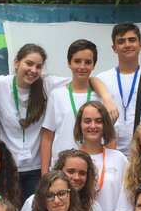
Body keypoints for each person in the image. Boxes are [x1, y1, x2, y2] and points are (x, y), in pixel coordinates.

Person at [0, 43, 117, 205]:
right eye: (29, 63)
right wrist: (45, 173)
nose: (33, 70)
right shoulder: (1, 84)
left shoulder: (47, 84)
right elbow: (47, 135)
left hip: (78, 169)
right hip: (17, 167)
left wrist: (106, 97)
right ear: (16, 62)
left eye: (38, 66)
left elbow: (88, 78)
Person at [40, 38, 108, 169]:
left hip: (93, 166)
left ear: (94, 65)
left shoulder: (101, 97)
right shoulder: (57, 95)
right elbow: (47, 137)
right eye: (77, 61)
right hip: (61, 167)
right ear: (69, 63)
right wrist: (44, 172)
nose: (82, 67)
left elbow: (109, 135)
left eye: (88, 62)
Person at [99, 22, 141, 155]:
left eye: (132, 40)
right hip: (110, 152)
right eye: (121, 41)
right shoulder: (102, 79)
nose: (127, 45)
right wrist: (106, 97)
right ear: (114, 48)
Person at [17, 148, 108, 211]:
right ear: (58, 171)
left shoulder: (92, 206)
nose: (77, 177)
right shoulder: (33, 202)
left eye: (82, 173)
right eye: (71, 171)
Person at [76, 101, 125, 211]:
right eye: (87, 121)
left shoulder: (118, 159)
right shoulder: (71, 160)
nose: (93, 126)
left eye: (98, 121)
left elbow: (127, 201)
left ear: (105, 125)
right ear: (80, 125)